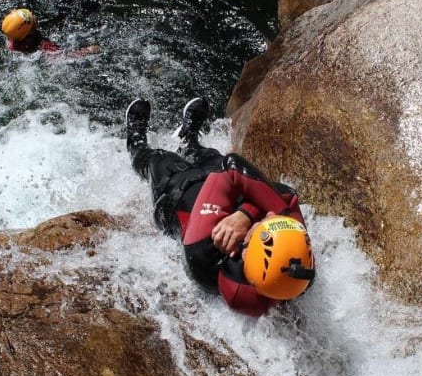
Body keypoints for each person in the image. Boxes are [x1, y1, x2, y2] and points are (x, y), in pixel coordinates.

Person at [124, 97, 316, 316]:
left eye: (262, 227)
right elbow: (287, 193)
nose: (268, 217)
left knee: (157, 160)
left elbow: (232, 167)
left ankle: (135, 141)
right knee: (210, 156)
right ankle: (188, 141)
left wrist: (247, 213)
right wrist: (247, 214)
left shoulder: (204, 249)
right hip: (226, 194)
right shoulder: (297, 274)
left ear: (244, 253)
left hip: (179, 195)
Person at [1, 8, 101, 56]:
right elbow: (63, 58)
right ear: (31, 31)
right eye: (32, 20)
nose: (34, 16)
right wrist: (87, 50)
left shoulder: (11, 38)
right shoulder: (42, 45)